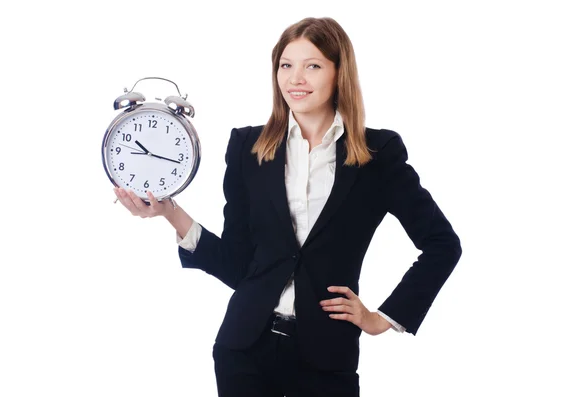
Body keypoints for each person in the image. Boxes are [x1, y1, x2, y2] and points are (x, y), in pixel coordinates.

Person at [113, 16, 461, 397]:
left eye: (312, 65)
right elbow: (238, 265)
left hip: (327, 358)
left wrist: (382, 318)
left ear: (338, 72)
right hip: (243, 350)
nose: (296, 79)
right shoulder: (249, 148)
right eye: (286, 65)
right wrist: (170, 213)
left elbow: (442, 244)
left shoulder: (377, 155)